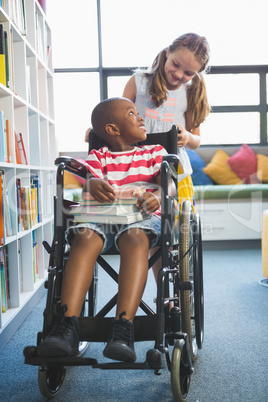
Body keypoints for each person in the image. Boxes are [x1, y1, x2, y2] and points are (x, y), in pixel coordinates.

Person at [37, 97, 176, 363]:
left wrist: (157, 194)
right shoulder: (98, 156)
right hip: (101, 219)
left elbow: (167, 184)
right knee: (82, 237)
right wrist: (92, 185)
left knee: (135, 238)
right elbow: (89, 181)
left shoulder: (154, 152)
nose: (140, 117)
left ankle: (123, 328)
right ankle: (66, 326)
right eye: (132, 113)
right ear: (113, 129)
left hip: (141, 220)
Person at [122, 32, 210, 280]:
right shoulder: (139, 82)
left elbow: (197, 138)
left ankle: (174, 295)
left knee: (175, 235)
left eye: (189, 73)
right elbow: (115, 118)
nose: (180, 75)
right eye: (176, 65)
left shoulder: (191, 90)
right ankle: (158, 289)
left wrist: (186, 137)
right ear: (167, 53)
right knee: (149, 232)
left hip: (175, 173)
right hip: (137, 170)